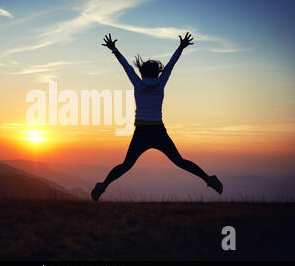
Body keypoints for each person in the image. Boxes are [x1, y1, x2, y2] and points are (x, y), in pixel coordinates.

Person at [91, 32, 223, 201]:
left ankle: (101, 187)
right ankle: (210, 180)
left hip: (142, 132)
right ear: (156, 72)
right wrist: (180, 47)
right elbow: (170, 65)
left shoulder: (138, 83)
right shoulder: (161, 83)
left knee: (125, 165)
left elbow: (126, 67)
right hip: (158, 131)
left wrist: (114, 49)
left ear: (142, 72)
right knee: (180, 161)